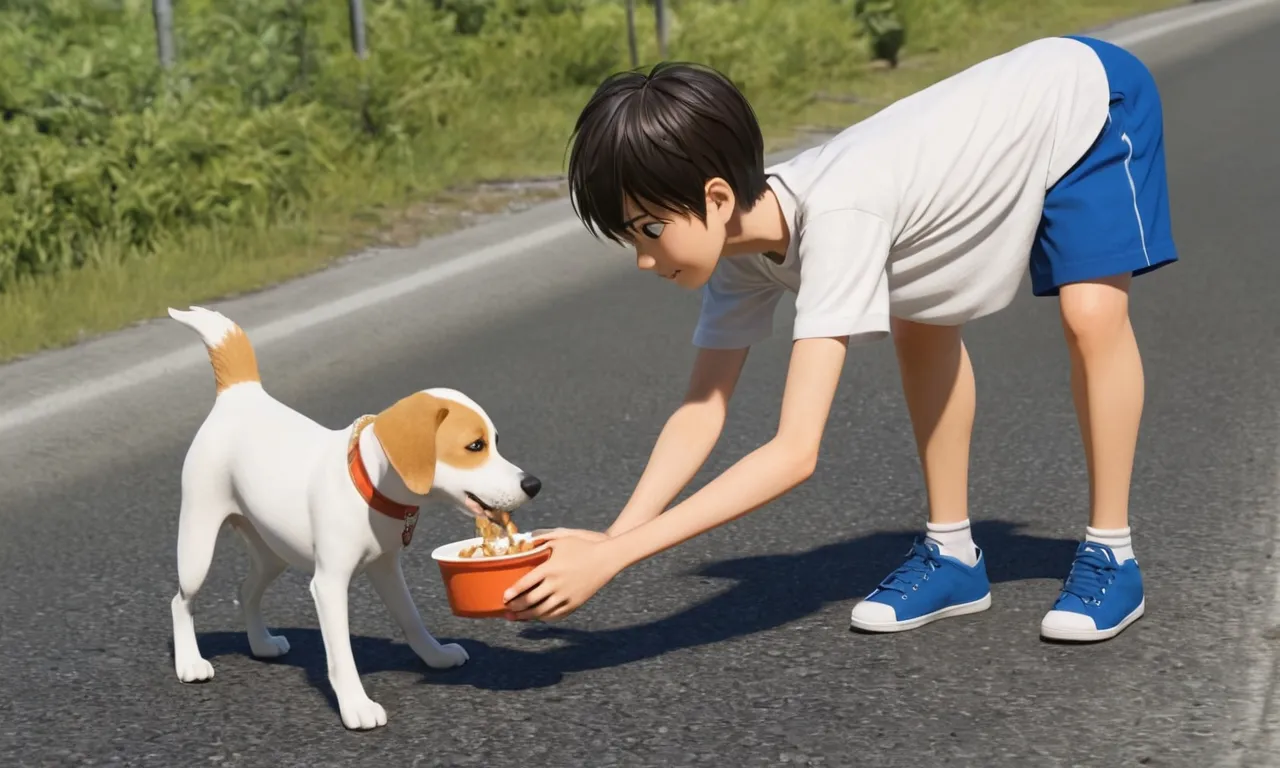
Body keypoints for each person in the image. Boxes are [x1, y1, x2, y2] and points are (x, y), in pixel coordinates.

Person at [502, 34, 1176, 643]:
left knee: (1091, 315)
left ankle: (1112, 554)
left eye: (650, 230)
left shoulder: (838, 216)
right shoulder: (739, 251)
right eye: (629, 237)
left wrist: (616, 558)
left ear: (714, 197)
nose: (645, 259)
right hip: (978, 144)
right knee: (921, 318)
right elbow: (703, 408)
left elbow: (795, 452)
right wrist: (610, 537)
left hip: (1087, 101)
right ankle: (954, 556)